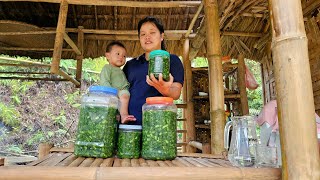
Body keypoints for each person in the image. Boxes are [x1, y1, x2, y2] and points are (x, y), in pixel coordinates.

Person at [123, 16, 184, 125]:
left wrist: (165, 90)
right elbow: (121, 91)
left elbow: (176, 93)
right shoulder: (130, 65)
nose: (147, 37)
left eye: (152, 33)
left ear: (161, 36)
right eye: (143, 34)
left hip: (159, 125)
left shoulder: (172, 60)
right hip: (131, 127)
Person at [100, 41, 136, 124]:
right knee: (124, 97)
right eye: (118, 54)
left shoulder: (121, 70)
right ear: (108, 55)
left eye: (124, 56)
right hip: (114, 92)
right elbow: (104, 81)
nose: (121, 57)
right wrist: (112, 93)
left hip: (121, 91)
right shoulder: (107, 68)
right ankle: (124, 115)